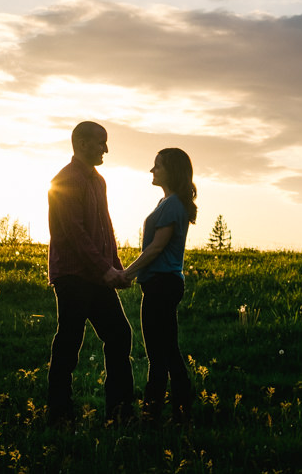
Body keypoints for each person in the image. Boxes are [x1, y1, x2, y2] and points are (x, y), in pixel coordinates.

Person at [46, 121, 133, 426]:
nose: (106, 149)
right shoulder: (65, 180)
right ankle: (58, 412)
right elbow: (75, 234)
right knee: (70, 340)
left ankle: (120, 411)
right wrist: (104, 269)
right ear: (82, 144)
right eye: (100, 142)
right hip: (72, 275)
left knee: (120, 335)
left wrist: (116, 268)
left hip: (96, 275)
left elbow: (104, 229)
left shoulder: (99, 181)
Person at [115, 147, 197, 423]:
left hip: (162, 285)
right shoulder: (168, 203)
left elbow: (156, 248)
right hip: (163, 284)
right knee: (167, 350)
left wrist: (127, 273)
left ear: (171, 171)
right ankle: (178, 411)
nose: (152, 170)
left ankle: (154, 413)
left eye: (157, 166)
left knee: (159, 353)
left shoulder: (172, 205)